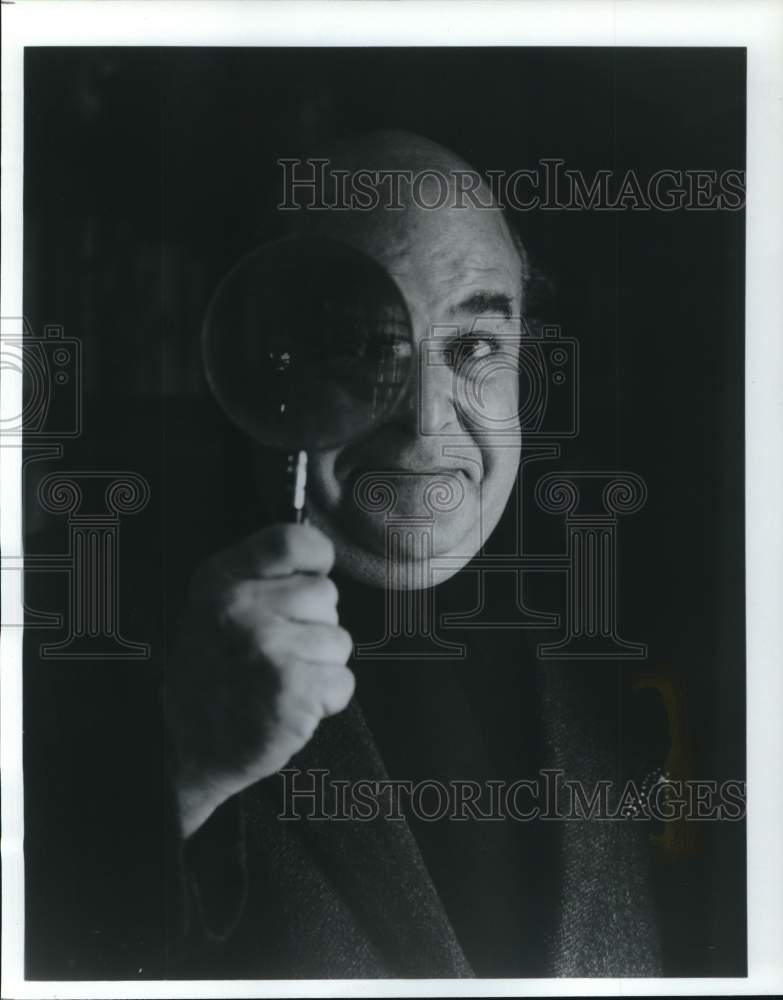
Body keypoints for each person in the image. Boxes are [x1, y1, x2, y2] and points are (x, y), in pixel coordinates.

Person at [162, 131, 665, 979]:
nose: (428, 424)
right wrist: (178, 778)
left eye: (472, 348)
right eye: (364, 349)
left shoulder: (614, 669)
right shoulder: (114, 673)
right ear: (263, 364)